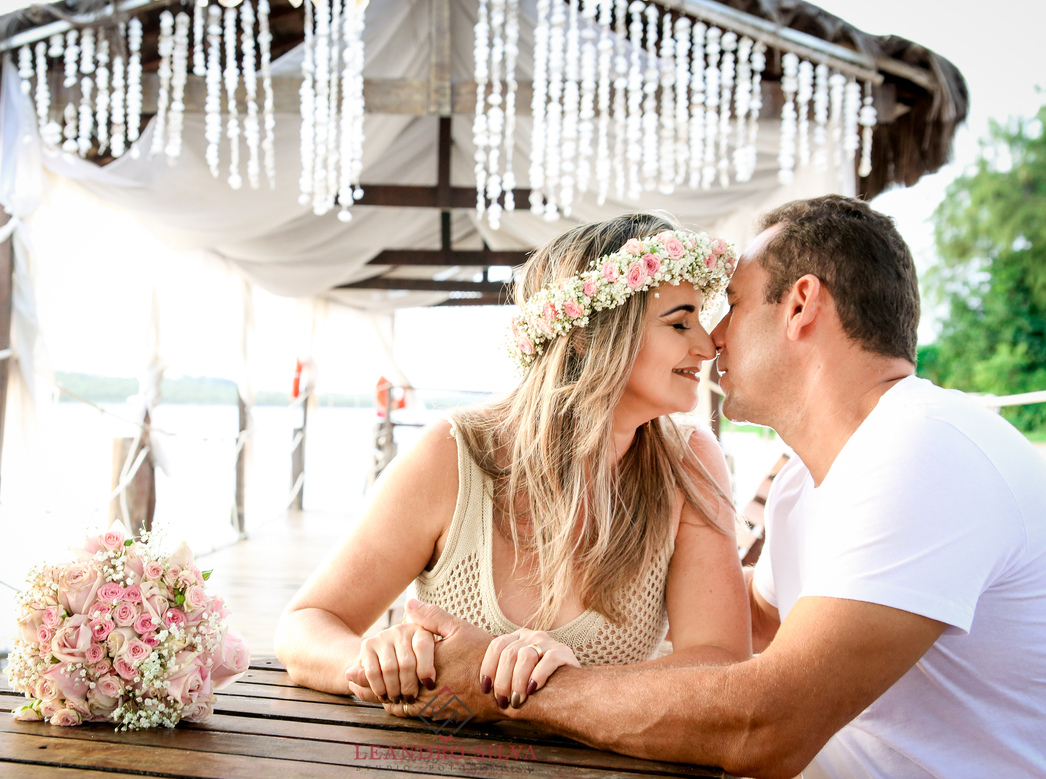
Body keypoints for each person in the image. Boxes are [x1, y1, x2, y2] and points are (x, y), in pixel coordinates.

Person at [381, 195, 1046, 779]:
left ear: (801, 305)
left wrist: (503, 685)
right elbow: (751, 625)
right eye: (688, 319)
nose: (715, 338)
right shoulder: (800, 491)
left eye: (731, 307)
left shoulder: (926, 449)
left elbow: (766, 727)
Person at [275, 212, 751, 712]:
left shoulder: (690, 463)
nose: (708, 343)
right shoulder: (453, 455)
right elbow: (304, 625)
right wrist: (375, 659)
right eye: (680, 322)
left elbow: (721, 664)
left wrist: (566, 687)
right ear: (593, 335)